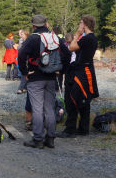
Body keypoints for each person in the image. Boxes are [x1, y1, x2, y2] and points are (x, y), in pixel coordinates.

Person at [18, 15, 70, 149]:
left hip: (35, 78)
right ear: (46, 24)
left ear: (33, 25)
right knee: (49, 109)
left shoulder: (32, 38)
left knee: (37, 109)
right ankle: (51, 138)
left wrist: (24, 73)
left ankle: (38, 139)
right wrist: (61, 70)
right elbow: (68, 54)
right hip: (51, 77)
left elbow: (21, 54)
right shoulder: (55, 37)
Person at [59, 16, 99, 138]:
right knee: (82, 99)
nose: (79, 24)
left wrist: (77, 33)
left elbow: (71, 47)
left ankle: (71, 129)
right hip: (80, 69)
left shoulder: (88, 38)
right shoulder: (89, 38)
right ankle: (82, 128)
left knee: (74, 99)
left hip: (82, 71)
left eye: (81, 23)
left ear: (85, 24)